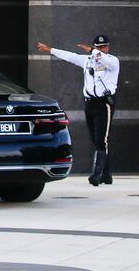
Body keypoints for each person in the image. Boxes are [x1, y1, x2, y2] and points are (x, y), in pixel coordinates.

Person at [36, 35, 120, 186]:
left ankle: (97, 175)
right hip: (90, 103)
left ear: (108, 47)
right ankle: (107, 175)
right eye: (98, 47)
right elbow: (70, 56)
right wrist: (50, 49)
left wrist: (93, 51)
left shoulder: (113, 61)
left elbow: (103, 59)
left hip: (104, 104)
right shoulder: (87, 61)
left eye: (104, 47)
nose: (101, 49)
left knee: (102, 140)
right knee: (97, 140)